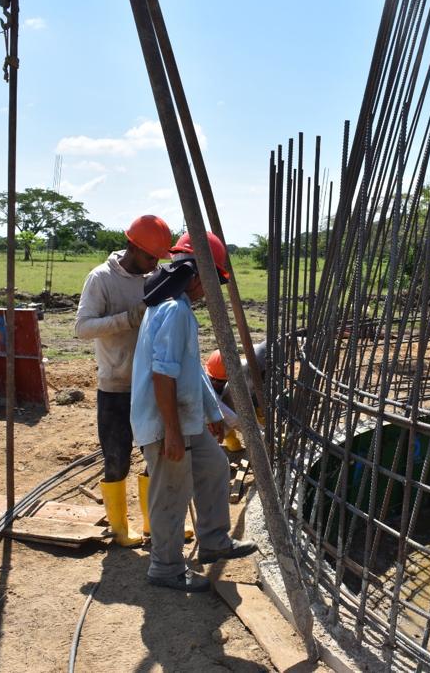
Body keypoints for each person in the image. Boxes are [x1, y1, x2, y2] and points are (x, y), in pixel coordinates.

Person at [131, 231, 258, 592]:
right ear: (198, 274)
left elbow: (191, 369)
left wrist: (212, 412)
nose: (209, 291)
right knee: (171, 493)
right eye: (213, 281)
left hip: (183, 418)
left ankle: (214, 540)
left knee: (214, 466)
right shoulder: (172, 311)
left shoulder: (176, 306)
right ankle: (165, 567)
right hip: (165, 422)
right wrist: (172, 431)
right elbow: (163, 375)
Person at [75, 215, 173, 548]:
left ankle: (152, 524)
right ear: (132, 246)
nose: (154, 264)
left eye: (158, 258)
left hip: (148, 385)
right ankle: (119, 528)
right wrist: (128, 318)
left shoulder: (152, 277)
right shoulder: (101, 279)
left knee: (154, 456)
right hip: (115, 385)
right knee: (116, 457)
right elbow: (83, 327)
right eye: (150, 257)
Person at [204, 350, 244, 452]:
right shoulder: (207, 390)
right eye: (213, 379)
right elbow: (232, 419)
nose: (216, 383)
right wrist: (258, 434)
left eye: (221, 381)